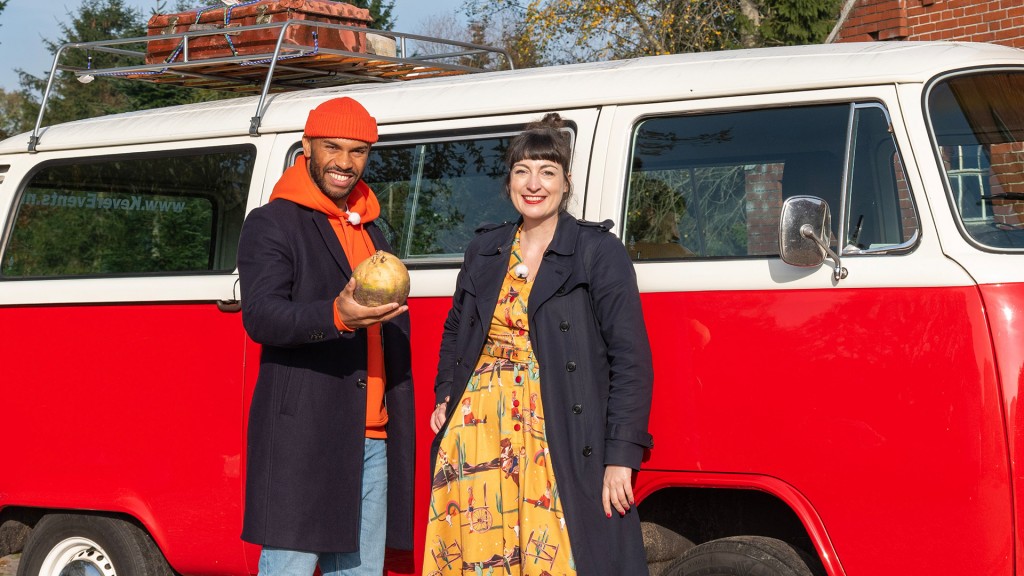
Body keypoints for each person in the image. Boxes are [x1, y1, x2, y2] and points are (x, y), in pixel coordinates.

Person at [422, 113, 654, 575]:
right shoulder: (485, 249)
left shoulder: (597, 251)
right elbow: (455, 329)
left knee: (557, 555)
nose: (534, 184)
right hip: (478, 431)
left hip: (557, 432)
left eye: (547, 172)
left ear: (566, 182)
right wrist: (446, 392)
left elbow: (631, 358)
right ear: (509, 181)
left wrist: (620, 457)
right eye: (522, 171)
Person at [238, 97, 415, 576]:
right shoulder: (272, 222)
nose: (344, 162)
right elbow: (261, 316)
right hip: (305, 433)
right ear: (306, 147)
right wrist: (335, 315)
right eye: (332, 147)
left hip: (372, 435)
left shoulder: (375, 229)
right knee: (289, 567)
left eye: (358, 151)